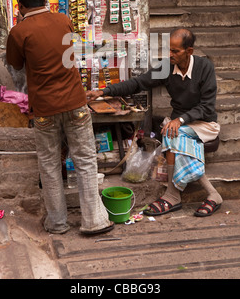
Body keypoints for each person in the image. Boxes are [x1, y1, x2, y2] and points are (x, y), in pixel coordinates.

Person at [6, 0, 114, 235]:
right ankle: (94, 221)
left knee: (50, 165)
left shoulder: (19, 32)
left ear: (20, 5)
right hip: (75, 103)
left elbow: (15, 66)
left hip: (44, 109)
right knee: (86, 161)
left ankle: (57, 223)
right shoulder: (64, 20)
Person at [86, 28, 223, 217]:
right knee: (174, 133)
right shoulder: (167, 67)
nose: (170, 54)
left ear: (189, 51)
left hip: (204, 124)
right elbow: (138, 83)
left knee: (173, 132)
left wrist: (180, 119)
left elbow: (207, 107)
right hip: (180, 124)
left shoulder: (205, 67)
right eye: (169, 49)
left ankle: (172, 195)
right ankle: (212, 193)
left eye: (175, 51)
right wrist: (104, 91)